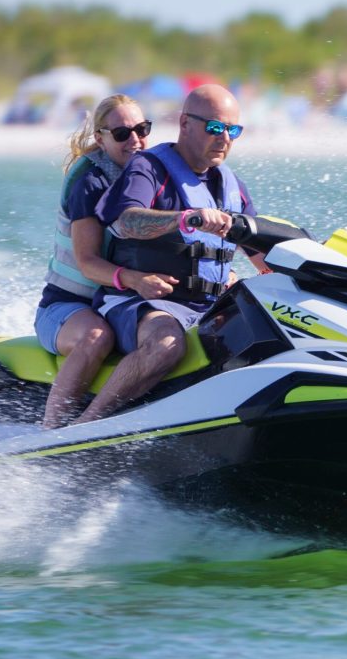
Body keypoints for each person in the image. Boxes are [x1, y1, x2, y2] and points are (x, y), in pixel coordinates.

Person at [74, 84, 265, 424]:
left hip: (205, 306)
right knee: (166, 343)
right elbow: (127, 220)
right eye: (215, 128)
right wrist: (185, 218)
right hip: (137, 301)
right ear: (185, 123)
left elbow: (261, 256)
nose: (224, 138)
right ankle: (86, 425)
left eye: (233, 130)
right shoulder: (148, 168)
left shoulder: (232, 186)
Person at [35, 94, 177, 428]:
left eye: (142, 129)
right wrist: (136, 280)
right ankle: (51, 430)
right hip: (67, 307)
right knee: (96, 336)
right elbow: (86, 263)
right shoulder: (90, 182)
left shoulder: (153, 172)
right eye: (122, 133)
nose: (136, 140)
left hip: (117, 304)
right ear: (100, 138)